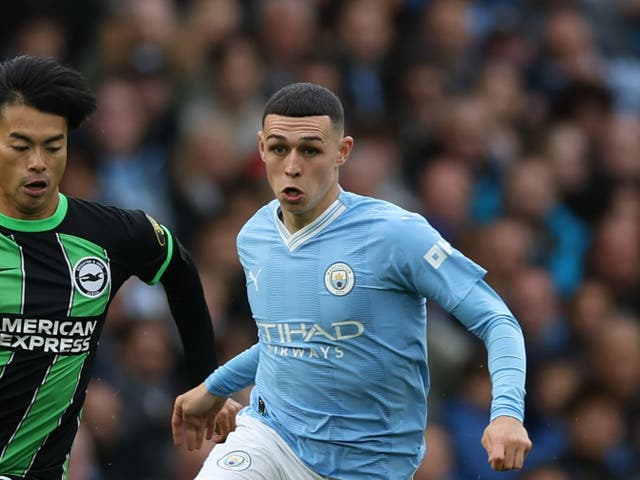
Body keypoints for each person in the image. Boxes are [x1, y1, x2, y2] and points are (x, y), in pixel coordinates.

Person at [172, 82, 532, 479]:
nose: (292, 166)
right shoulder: (254, 236)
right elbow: (289, 341)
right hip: (271, 438)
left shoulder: (395, 234)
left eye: (310, 150)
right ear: (261, 148)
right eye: (279, 148)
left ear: (342, 151)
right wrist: (214, 387)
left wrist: (507, 414)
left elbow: (497, 320)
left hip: (370, 465)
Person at [0, 54, 240, 480]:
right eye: (20, 146)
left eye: (53, 146)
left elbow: (180, 269)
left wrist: (207, 384)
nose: (38, 161)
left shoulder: (111, 235)